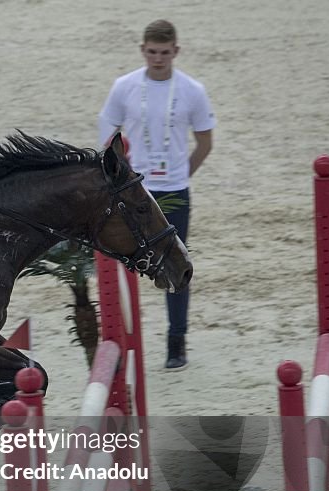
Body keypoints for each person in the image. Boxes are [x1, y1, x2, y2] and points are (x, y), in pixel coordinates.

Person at [97, 19, 215, 370]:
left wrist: (182, 174)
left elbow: (205, 142)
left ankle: (176, 341)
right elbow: (108, 139)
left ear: (176, 51)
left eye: (165, 53)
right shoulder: (125, 86)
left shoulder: (193, 90)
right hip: (133, 193)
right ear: (143, 50)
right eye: (152, 52)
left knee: (176, 265)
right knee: (121, 263)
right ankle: (119, 340)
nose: (158, 59)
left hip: (174, 191)